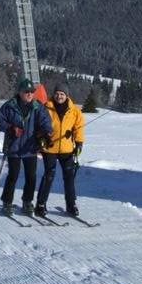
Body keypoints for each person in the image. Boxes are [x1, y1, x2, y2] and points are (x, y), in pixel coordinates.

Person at [0, 78, 52, 215]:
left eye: (32, 91)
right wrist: (10, 128)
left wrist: (46, 131)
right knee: (13, 175)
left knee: (31, 176)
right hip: (13, 146)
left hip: (30, 147)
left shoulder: (38, 106)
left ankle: (27, 202)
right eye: (26, 92)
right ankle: (7, 202)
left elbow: (46, 121)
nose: (30, 94)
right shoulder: (9, 106)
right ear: (19, 92)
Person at [35, 83, 84, 216]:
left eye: (62, 94)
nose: (59, 96)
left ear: (66, 95)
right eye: (57, 93)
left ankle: (71, 204)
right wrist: (42, 138)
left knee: (69, 177)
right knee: (49, 176)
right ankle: (40, 204)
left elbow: (78, 128)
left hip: (67, 149)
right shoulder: (46, 107)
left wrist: (79, 143)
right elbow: (38, 125)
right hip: (50, 148)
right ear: (54, 94)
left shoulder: (74, 111)